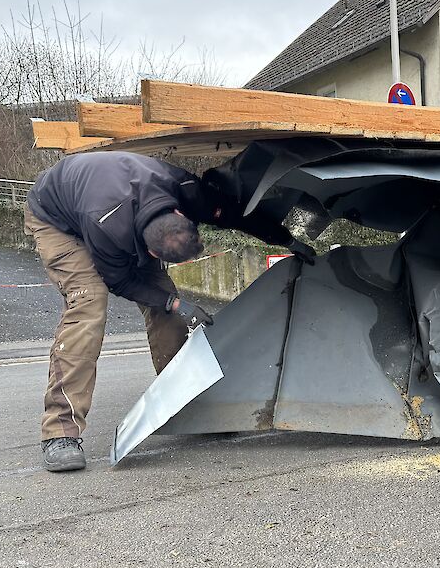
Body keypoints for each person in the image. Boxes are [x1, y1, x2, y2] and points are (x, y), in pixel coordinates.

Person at [25, 150, 312, 472]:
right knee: (89, 307)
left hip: (116, 198)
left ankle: (184, 403)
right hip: (58, 219)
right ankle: (60, 431)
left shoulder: (186, 190)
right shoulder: (107, 227)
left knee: (170, 314)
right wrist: (175, 302)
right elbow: (118, 280)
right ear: (149, 251)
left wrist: (286, 239)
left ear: (183, 214)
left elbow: (232, 214)